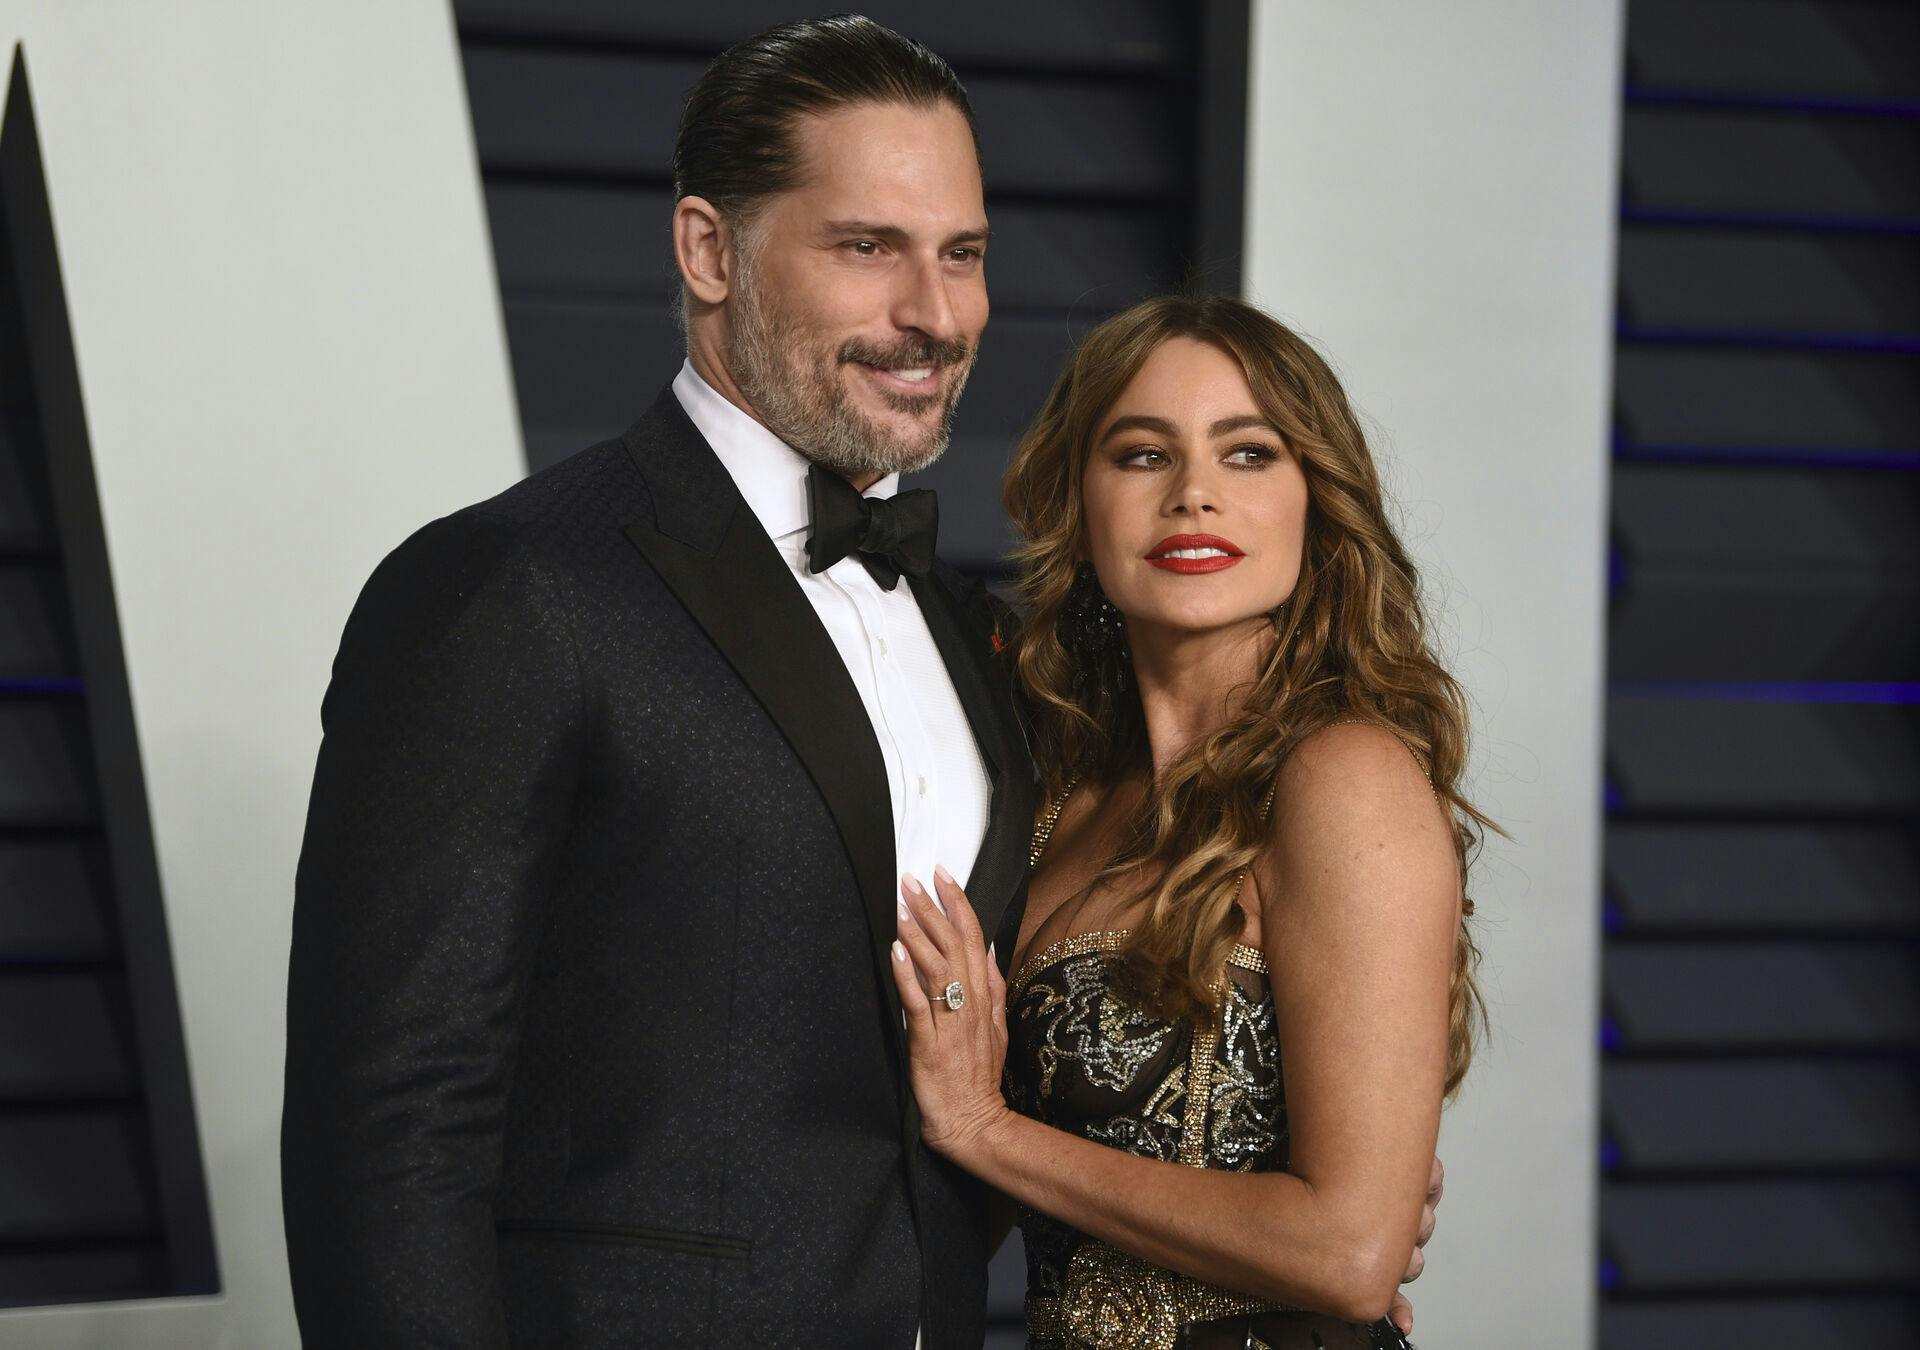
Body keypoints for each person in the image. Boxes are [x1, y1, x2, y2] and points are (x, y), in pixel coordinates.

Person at [281, 14, 1437, 1348]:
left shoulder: (990, 655)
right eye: (867, 247)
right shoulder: (513, 587)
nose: (931, 315)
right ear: (710, 250)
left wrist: (1295, 1194)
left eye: (962, 255)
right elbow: (391, 1126)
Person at [889, 293, 1483, 1349]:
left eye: (1249, 454)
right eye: (1141, 455)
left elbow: (1348, 1255)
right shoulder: (1051, 796)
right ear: (1082, 500)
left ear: (1318, 502)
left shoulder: (1342, 776)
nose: (1194, 496)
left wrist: (989, 1129)